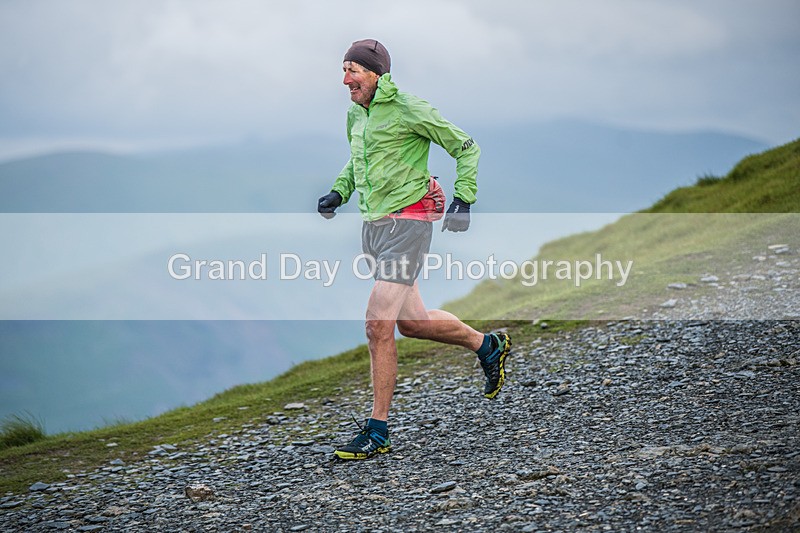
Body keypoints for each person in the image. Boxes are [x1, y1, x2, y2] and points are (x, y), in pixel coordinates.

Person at [317, 39, 511, 460]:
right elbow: (359, 160)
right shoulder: (356, 113)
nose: (345, 79)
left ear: (375, 74)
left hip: (411, 221)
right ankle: (487, 345)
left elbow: (465, 146)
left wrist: (463, 200)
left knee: (377, 324)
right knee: (413, 323)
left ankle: (378, 430)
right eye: (343, 69)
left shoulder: (408, 107)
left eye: (353, 70)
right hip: (374, 225)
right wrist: (338, 192)